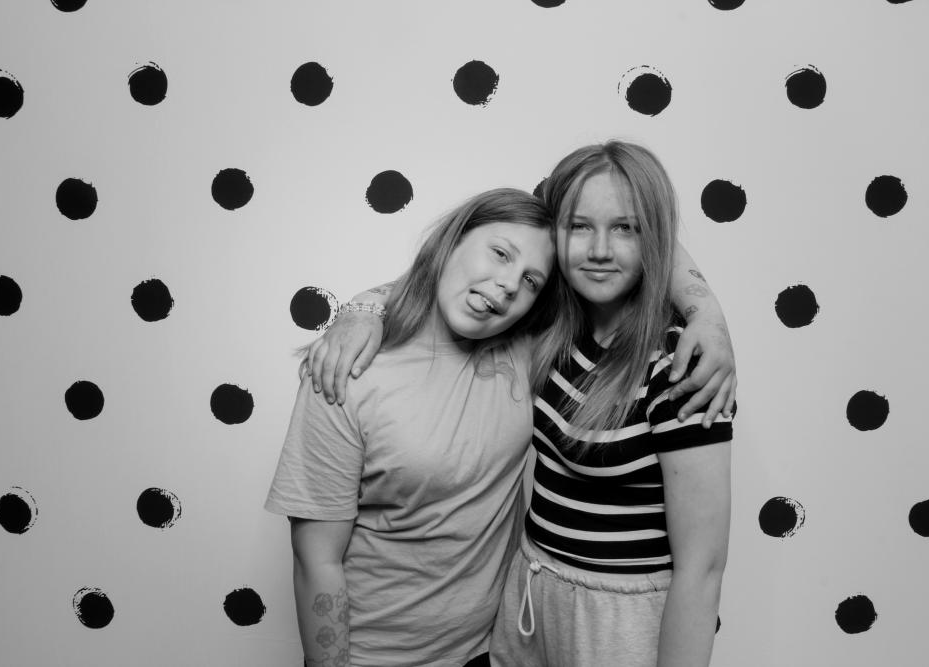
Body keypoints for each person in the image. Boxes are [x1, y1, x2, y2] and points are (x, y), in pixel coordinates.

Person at [307, 141, 734, 666]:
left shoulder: (681, 365)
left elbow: (702, 569)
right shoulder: (547, 333)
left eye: (627, 228)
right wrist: (364, 307)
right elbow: (458, 272)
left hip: (617, 624)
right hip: (524, 607)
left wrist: (707, 313)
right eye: (580, 227)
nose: (601, 249)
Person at [266, 188, 560, 667]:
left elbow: (627, 248)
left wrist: (700, 315)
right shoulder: (346, 371)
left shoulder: (525, 352)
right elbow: (316, 561)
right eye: (500, 253)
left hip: (489, 651)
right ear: (452, 240)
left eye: (531, 280)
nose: (509, 284)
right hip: (372, 658)